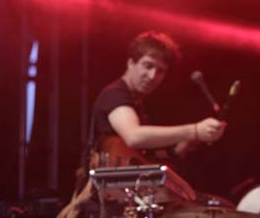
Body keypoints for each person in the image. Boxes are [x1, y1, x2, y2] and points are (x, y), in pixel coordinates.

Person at [91, 31, 225, 162]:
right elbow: (133, 137)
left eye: (160, 71)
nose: (152, 76)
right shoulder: (115, 94)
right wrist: (194, 130)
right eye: (148, 66)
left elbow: (137, 157)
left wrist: (175, 151)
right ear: (131, 63)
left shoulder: (136, 101)